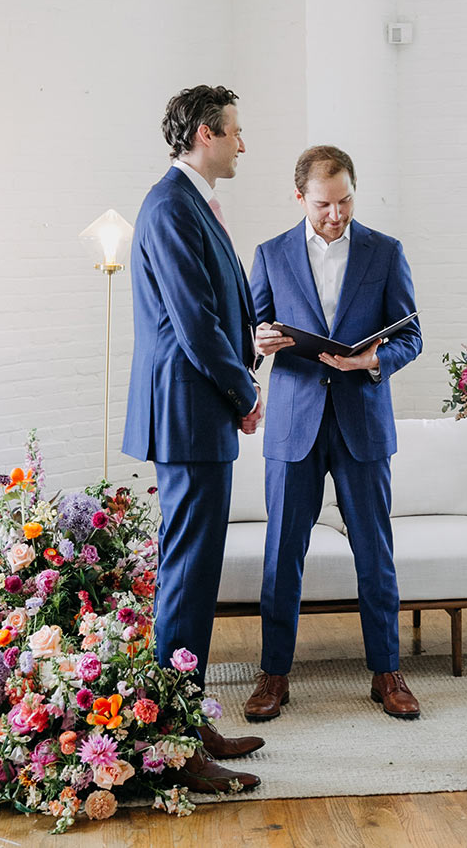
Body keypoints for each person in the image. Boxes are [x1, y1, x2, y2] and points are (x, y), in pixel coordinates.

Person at [243, 146, 423, 722]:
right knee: (282, 554)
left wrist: (374, 360)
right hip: (293, 424)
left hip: (362, 420)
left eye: (345, 201)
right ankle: (274, 674)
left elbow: (411, 335)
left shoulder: (385, 251)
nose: (336, 214)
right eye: (324, 204)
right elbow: (250, 333)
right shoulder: (270, 254)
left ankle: (387, 672)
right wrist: (256, 343)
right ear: (300, 197)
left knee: (375, 551)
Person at [123, 85, 264, 793]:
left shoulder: (189, 202)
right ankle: (174, 746)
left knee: (197, 571)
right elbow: (194, 322)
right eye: (236, 131)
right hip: (188, 409)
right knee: (186, 573)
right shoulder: (172, 205)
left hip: (196, 408)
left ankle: (188, 717)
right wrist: (245, 390)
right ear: (207, 133)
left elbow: (218, 311)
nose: (243, 143)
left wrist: (251, 352)